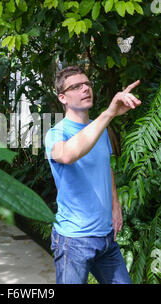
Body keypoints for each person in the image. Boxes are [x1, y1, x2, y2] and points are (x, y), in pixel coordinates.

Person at [44, 65, 141, 284]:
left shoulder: (100, 129)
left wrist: (115, 206)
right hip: (74, 240)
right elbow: (67, 154)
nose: (85, 89)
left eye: (87, 84)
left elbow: (105, 166)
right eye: (76, 86)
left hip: (106, 238)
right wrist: (109, 113)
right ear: (63, 98)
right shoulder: (56, 133)